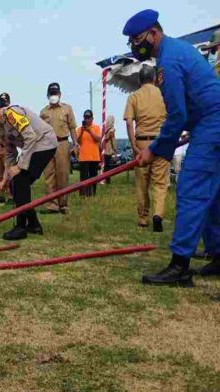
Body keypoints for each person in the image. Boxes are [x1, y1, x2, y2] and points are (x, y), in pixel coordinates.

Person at [122, 9, 220, 285]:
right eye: (130, 41)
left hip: (213, 122)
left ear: (153, 33)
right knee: (213, 193)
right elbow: (186, 109)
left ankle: (180, 266)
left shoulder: (169, 60)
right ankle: (219, 253)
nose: (133, 45)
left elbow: (176, 114)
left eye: (136, 39)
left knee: (191, 187)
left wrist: (154, 149)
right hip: (208, 122)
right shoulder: (176, 51)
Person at [0, 92, 58, 240]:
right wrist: (5, 180)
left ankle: (21, 227)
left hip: (44, 143)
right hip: (34, 146)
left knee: (20, 180)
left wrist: (20, 167)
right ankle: (34, 225)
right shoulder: (0, 127)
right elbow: (10, 154)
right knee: (15, 183)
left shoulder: (11, 114)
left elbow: (30, 136)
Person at [124, 64, 169, 232]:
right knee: (160, 182)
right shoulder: (163, 94)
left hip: (142, 142)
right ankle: (158, 215)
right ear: (154, 78)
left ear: (139, 80)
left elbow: (129, 122)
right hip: (161, 141)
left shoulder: (133, 96)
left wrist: (134, 145)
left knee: (142, 183)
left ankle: (143, 218)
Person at [40, 83, 78, 214]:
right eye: (51, 93)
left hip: (62, 143)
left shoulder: (67, 109)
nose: (53, 96)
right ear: (47, 95)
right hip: (47, 145)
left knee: (63, 173)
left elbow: (72, 127)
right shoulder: (43, 112)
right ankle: (52, 205)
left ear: (60, 94)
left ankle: (63, 204)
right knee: (49, 175)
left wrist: (76, 143)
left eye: (55, 93)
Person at [76, 110, 102, 197]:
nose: (87, 120)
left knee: (93, 177)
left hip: (94, 157)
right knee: (83, 177)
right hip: (83, 157)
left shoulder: (96, 127)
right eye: (85, 118)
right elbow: (78, 141)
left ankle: (92, 193)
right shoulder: (80, 129)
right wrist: (83, 131)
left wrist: (90, 131)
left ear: (92, 118)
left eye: (89, 118)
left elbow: (98, 139)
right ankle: (83, 194)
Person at [102, 114, 118, 184]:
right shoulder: (112, 130)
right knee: (108, 166)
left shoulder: (105, 130)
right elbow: (113, 140)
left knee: (106, 165)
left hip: (104, 150)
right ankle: (107, 180)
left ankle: (105, 179)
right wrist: (115, 149)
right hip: (109, 150)